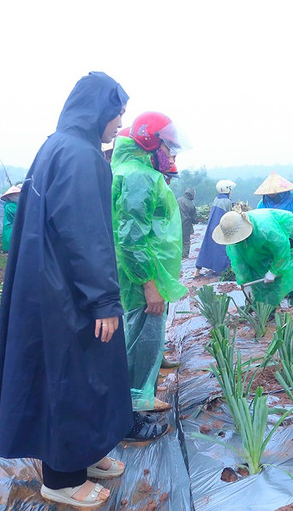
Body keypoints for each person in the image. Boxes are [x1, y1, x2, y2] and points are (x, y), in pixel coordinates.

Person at [0, 72, 134, 508]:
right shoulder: (81, 154)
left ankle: (84, 455)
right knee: (72, 378)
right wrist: (104, 299)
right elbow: (86, 234)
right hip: (67, 291)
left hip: (49, 284)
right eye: (117, 111)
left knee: (81, 375)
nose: (120, 122)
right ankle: (62, 478)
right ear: (97, 110)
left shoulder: (58, 145)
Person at [111, 112, 188, 425]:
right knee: (144, 334)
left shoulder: (134, 170)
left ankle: (136, 395)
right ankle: (134, 406)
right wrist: (148, 283)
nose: (170, 156)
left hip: (143, 270)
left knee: (141, 332)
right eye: (168, 148)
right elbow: (131, 237)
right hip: (140, 275)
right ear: (150, 142)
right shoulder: (138, 176)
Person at [214, 209, 293, 306]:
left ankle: (290, 297)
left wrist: (274, 271)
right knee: (256, 264)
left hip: (286, 229)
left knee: (289, 266)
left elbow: (282, 250)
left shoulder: (266, 229)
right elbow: (238, 261)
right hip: (265, 238)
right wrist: (245, 281)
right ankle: (255, 302)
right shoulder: (232, 234)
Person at [255, 172, 293, 264]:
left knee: (292, 268)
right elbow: (258, 224)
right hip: (272, 243)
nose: (271, 195)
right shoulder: (263, 204)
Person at [195, 179, 235, 277]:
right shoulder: (227, 201)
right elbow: (229, 215)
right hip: (220, 227)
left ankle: (197, 270)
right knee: (222, 249)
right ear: (227, 189)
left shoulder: (217, 199)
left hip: (212, 225)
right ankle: (223, 270)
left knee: (208, 247)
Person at [177, 187, 197, 258]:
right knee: (186, 242)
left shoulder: (178, 200)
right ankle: (184, 256)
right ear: (192, 195)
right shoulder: (191, 205)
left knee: (177, 241)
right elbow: (194, 219)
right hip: (186, 226)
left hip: (176, 225)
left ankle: (177, 256)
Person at [0, 185, 21, 252]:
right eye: (15, 195)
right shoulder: (10, 206)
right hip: (11, 227)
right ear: (9, 196)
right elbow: (18, 215)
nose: (18, 197)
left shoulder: (14, 204)